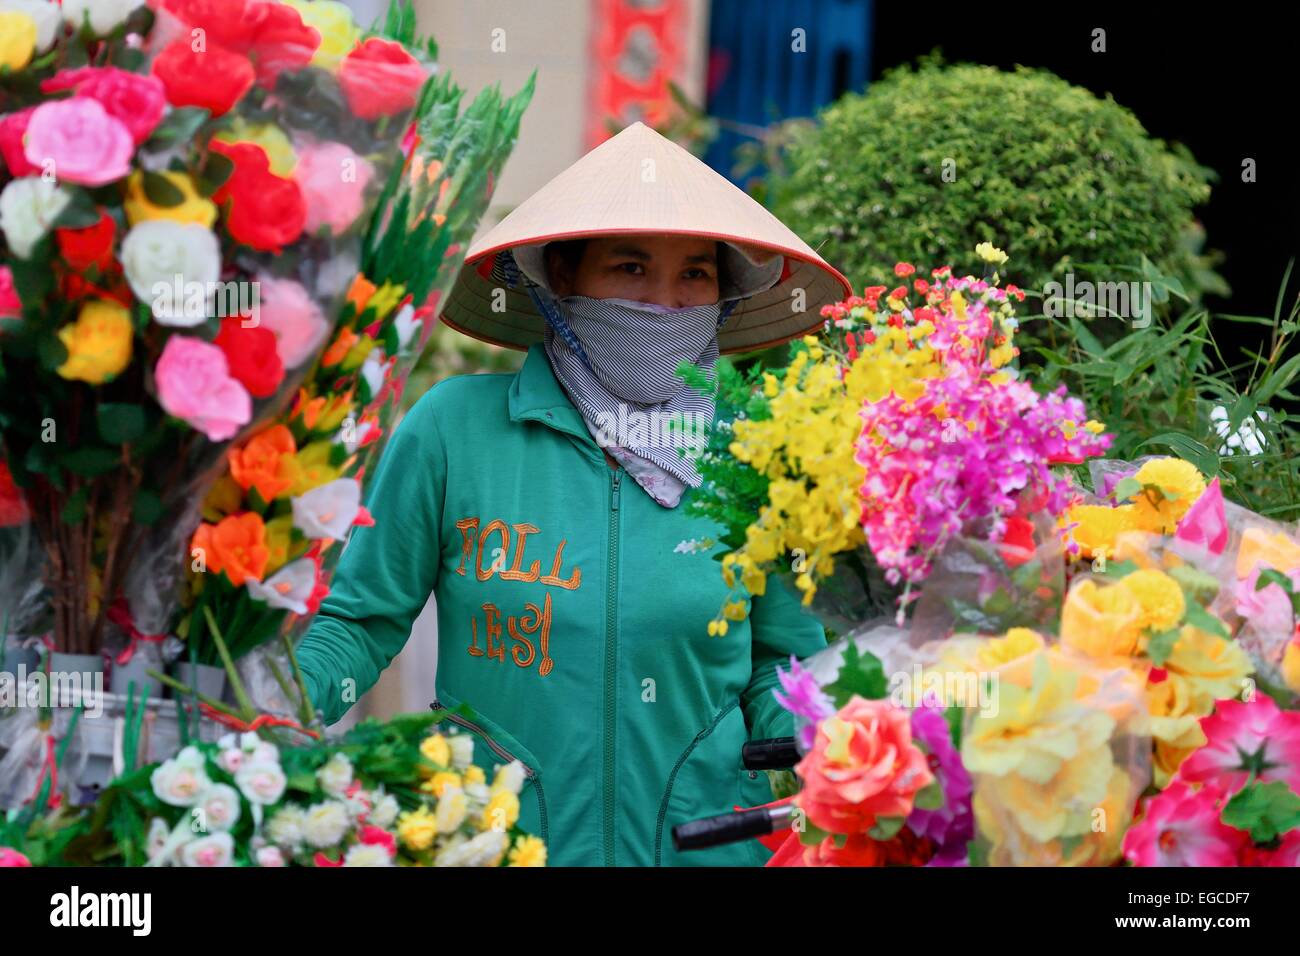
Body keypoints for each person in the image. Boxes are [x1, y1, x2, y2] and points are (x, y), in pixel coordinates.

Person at [295, 122, 852, 866]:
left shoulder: (755, 447)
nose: (663, 301)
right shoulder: (454, 430)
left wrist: (824, 748)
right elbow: (361, 623)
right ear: (560, 278)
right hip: (495, 849)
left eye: (694, 274)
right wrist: (263, 716)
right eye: (629, 268)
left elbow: (781, 665)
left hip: (708, 850)